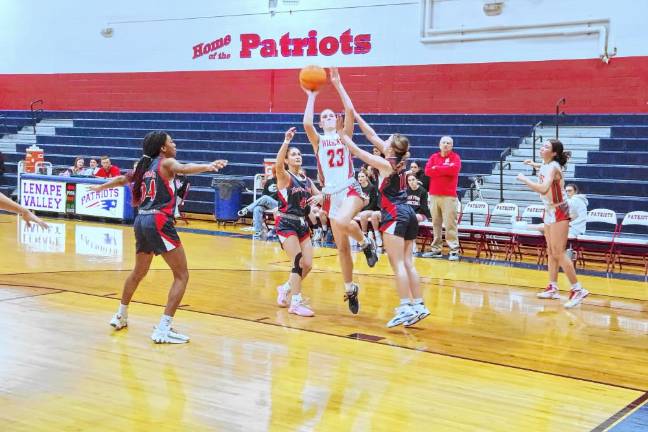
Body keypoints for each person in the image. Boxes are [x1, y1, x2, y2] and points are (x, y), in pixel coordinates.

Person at [90, 131, 227, 343]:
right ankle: (163, 328)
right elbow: (183, 168)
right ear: (163, 148)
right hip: (159, 220)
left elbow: (119, 179)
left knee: (138, 272)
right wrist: (208, 167)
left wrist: (100, 187)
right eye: (171, 141)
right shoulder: (165, 163)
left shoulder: (142, 167)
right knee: (182, 275)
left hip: (141, 220)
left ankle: (120, 315)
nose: (174, 144)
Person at [302, 67, 378, 315]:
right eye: (322, 117)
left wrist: (337, 83)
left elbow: (349, 110)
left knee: (344, 221)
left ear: (336, 121)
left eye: (329, 116)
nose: (325, 118)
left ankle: (366, 242)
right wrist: (311, 95)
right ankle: (351, 287)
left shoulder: (345, 135)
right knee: (342, 247)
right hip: (330, 195)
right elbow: (306, 123)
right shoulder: (318, 141)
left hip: (350, 188)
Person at [339, 124, 430, 328]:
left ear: (390, 148)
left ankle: (405, 307)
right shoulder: (398, 159)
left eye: (387, 139)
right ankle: (419, 305)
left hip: (395, 214)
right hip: (409, 213)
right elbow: (370, 134)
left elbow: (357, 151)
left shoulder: (385, 164)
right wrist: (350, 105)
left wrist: (341, 135)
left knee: (397, 263)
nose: (384, 139)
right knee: (407, 262)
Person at [517, 139, 589, 308]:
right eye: (542, 146)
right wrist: (533, 164)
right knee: (550, 251)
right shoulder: (546, 163)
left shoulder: (554, 167)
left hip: (559, 210)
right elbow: (543, 168)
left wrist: (524, 179)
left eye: (546, 147)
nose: (542, 148)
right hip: (549, 209)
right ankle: (552, 287)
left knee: (559, 252)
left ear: (554, 153)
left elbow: (543, 188)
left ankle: (578, 289)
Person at [274, 127, 323, 316]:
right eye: (293, 154)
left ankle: (286, 288)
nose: (297, 156)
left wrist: (320, 199)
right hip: (286, 223)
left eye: (299, 154)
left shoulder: (306, 180)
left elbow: (322, 197)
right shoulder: (285, 176)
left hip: (302, 224)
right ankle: (295, 303)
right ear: (287, 160)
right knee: (298, 262)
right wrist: (286, 141)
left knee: (308, 265)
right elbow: (278, 166)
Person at [423, 136, 461, 261]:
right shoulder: (433, 157)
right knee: (436, 223)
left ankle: (454, 250)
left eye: (448, 143)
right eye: (444, 142)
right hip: (434, 195)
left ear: (452, 146)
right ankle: (436, 250)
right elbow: (428, 171)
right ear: (439, 145)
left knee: (450, 224)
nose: (446, 145)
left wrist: (437, 168)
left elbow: (454, 170)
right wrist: (443, 170)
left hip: (449, 196)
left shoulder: (455, 158)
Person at [237, 168, 279, 239]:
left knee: (265, 198)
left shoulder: (284, 181)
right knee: (257, 208)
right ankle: (258, 232)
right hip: (268, 203)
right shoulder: (269, 182)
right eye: (275, 172)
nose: (276, 174)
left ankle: (246, 209)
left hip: (279, 204)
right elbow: (263, 195)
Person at [356, 168, 382, 246]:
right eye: (359, 176)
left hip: (371, 209)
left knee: (363, 215)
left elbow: (373, 203)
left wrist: (362, 210)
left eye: (362, 176)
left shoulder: (372, 188)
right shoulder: (357, 188)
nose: (360, 178)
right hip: (361, 210)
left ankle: (364, 236)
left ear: (366, 177)